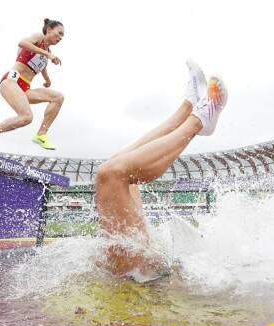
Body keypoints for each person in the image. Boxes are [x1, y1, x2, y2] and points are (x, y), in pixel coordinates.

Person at [94, 61, 227, 280]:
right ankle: (197, 122)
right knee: (110, 174)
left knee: (117, 163)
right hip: (133, 279)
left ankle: (187, 109)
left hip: (133, 273)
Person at [0, 19, 65, 153]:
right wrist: (48, 54)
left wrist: (47, 80)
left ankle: (41, 134)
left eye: (62, 36)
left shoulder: (46, 52)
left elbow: (43, 67)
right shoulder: (38, 38)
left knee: (58, 97)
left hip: (25, 88)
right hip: (11, 81)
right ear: (49, 30)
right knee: (26, 117)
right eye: (59, 33)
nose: (60, 38)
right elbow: (22, 43)